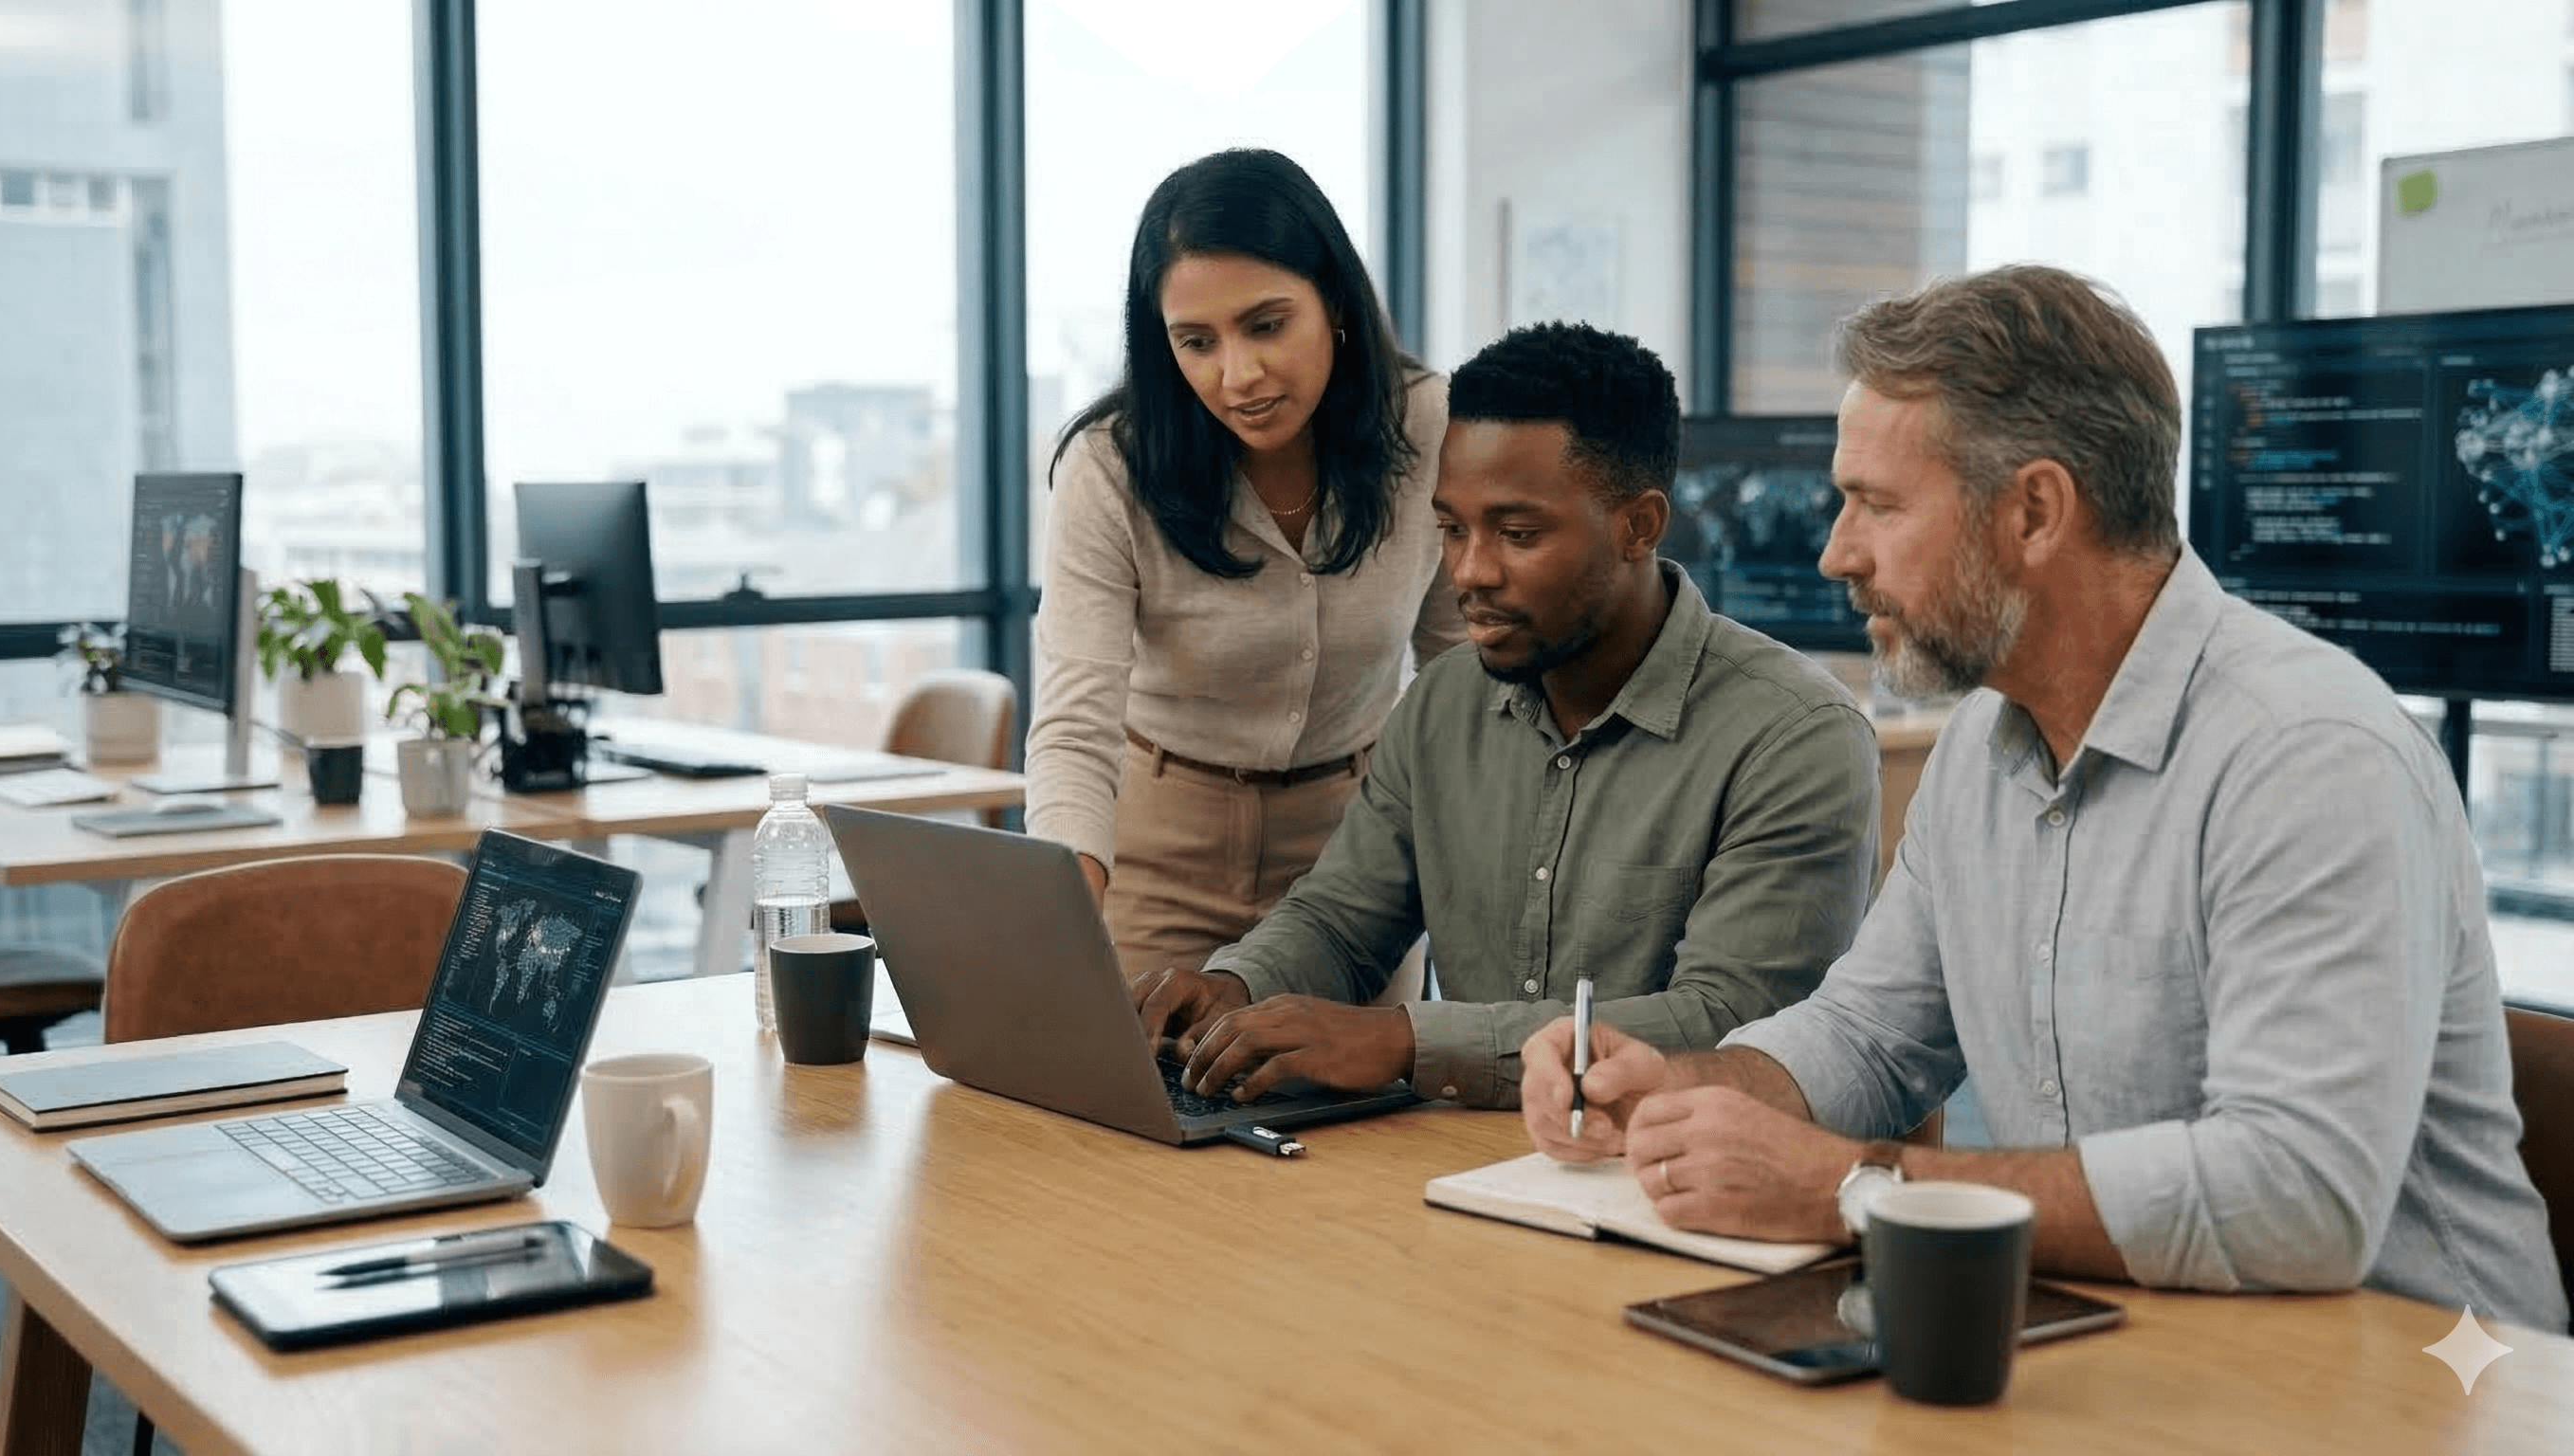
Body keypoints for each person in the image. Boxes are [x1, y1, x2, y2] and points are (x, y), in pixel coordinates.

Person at [1519, 264, 2567, 1332]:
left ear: (2032, 511)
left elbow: (2296, 1196)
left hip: (2425, 1383)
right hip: (2142, 1341)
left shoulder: (2307, 755)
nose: (1836, 552)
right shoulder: (1984, 739)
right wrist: (1682, 1092)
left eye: (1875, 504)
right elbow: (1873, 1033)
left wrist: (1848, 1188)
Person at [1134, 321, 1880, 1110]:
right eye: (1452, 529)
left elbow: (1730, 1027)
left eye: (1517, 535)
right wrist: (1234, 985)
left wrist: (1407, 1040)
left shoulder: (1797, 737)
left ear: (1640, 526)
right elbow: (1341, 920)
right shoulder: (1441, 704)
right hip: (1454, 1169)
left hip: (1670, 1182)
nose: (1469, 572)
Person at [1027, 149, 1468, 982]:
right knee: (1123, 1107)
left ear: (1333, 299)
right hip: (1157, 856)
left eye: (1266, 325)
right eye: (1197, 342)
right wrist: (1061, 915)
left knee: (1367, 1112)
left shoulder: (1428, 423)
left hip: (1357, 856)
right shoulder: (1112, 467)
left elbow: (1461, 671)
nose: (1238, 376)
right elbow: (1076, 725)